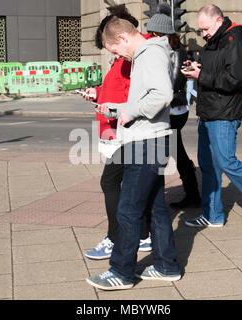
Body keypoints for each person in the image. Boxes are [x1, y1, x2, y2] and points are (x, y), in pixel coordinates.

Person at [86, 16, 181, 290]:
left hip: (145, 143)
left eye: (115, 50)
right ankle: (167, 266)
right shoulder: (149, 53)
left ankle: (121, 272)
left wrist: (130, 111)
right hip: (151, 140)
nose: (118, 55)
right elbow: (146, 96)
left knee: (128, 209)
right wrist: (117, 109)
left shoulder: (148, 54)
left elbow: (162, 94)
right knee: (156, 208)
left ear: (123, 38)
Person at [181, 4, 242, 228]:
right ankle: (213, 215)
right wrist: (195, 67)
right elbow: (212, 71)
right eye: (201, 30)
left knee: (226, 161)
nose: (203, 33)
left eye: (205, 29)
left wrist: (201, 74)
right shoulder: (212, 42)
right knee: (208, 164)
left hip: (224, 113)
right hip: (208, 111)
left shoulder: (235, 41)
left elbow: (234, 79)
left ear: (218, 21)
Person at [79, 5, 152, 260]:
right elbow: (114, 90)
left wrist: (118, 112)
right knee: (133, 186)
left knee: (111, 182)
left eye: (112, 47)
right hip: (116, 128)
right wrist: (97, 93)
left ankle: (116, 237)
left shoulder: (134, 59)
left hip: (124, 130)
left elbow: (141, 96)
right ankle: (141, 235)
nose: (113, 52)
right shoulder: (123, 59)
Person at [146, 2, 201, 209]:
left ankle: (158, 200)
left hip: (171, 109)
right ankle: (192, 195)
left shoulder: (171, 50)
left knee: (164, 154)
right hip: (175, 109)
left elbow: (175, 81)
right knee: (177, 152)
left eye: (152, 33)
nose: (149, 37)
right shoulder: (172, 48)